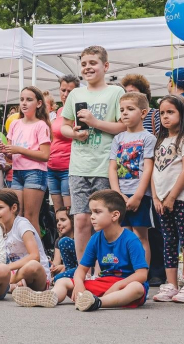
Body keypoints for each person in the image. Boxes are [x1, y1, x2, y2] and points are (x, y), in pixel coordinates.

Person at [60, 45, 126, 258]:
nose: (87, 67)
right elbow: (63, 126)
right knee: (80, 220)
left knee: (103, 221)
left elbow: (122, 126)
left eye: (93, 63)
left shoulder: (116, 92)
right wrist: (74, 134)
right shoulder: (76, 93)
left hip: (105, 166)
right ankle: (83, 272)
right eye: (84, 64)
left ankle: (102, 269)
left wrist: (95, 122)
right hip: (79, 167)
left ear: (105, 66)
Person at [50, 190, 149, 311]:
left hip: (125, 285)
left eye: (97, 212)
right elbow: (81, 270)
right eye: (91, 212)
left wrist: (118, 285)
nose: (92, 216)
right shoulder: (95, 238)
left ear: (115, 215)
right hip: (103, 282)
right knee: (63, 281)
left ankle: (97, 302)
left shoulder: (131, 240)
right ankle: (51, 297)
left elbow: (142, 274)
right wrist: (79, 285)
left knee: (136, 288)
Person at [150, 94, 184, 303]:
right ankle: (171, 284)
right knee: (168, 240)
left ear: (182, 114)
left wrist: (171, 197)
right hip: (162, 200)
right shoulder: (160, 140)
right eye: (162, 113)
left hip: (182, 199)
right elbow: (154, 170)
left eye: (170, 112)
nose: (165, 117)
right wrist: (156, 197)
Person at [108, 92, 155, 266]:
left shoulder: (148, 138)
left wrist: (138, 196)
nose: (125, 113)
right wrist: (117, 194)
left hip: (139, 194)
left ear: (143, 113)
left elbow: (148, 167)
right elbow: (112, 167)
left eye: (130, 109)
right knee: (123, 235)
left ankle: (142, 275)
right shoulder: (118, 138)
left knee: (140, 236)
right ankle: (125, 272)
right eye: (122, 110)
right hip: (121, 194)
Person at [0, 87, 50, 231]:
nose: (24, 103)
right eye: (22, 99)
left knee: (30, 217)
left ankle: (39, 253)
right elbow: (10, 154)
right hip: (17, 172)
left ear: (39, 103)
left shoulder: (41, 125)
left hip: (35, 172)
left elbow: (45, 155)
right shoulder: (15, 123)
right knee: (16, 216)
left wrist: (18, 150)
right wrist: (4, 150)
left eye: (29, 99)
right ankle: (22, 252)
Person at [0, 189, 51, 306]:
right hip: (14, 273)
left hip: (37, 276)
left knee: (32, 266)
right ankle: (15, 286)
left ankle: (7, 285)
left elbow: (35, 256)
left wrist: (6, 268)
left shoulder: (22, 225)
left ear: (13, 208)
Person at [47, 75, 78, 211]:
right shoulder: (59, 111)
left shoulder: (78, 113)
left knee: (68, 213)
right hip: (52, 167)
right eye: (63, 90)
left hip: (68, 168)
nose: (65, 94)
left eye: (69, 91)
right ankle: (62, 234)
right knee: (58, 214)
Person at [50, 207, 77, 281]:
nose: (59, 223)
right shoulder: (58, 240)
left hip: (79, 268)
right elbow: (56, 261)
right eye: (57, 221)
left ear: (72, 220)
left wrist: (63, 267)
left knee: (57, 278)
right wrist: (53, 267)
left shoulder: (80, 238)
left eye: (63, 220)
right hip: (68, 269)